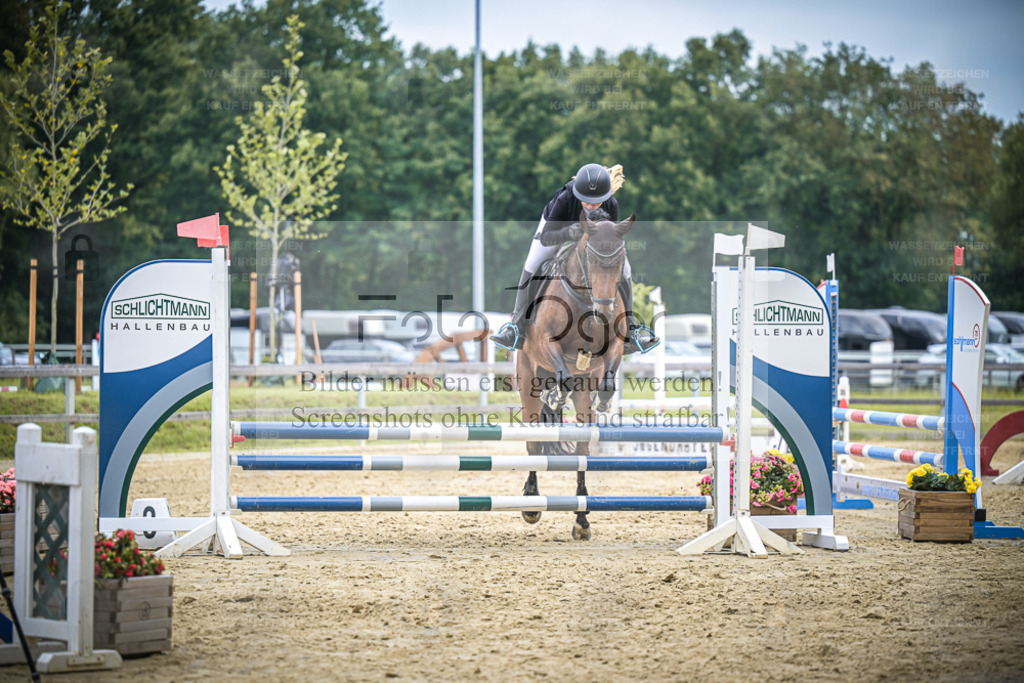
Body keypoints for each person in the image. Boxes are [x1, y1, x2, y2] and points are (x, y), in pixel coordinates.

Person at [490, 162, 659, 355]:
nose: (591, 205)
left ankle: (632, 329)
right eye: (586, 201)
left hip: (592, 242)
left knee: (625, 269)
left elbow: (609, 239)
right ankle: (516, 328)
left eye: (597, 202)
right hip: (556, 231)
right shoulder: (565, 199)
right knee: (532, 263)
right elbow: (546, 237)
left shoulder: (611, 204)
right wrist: (569, 232)